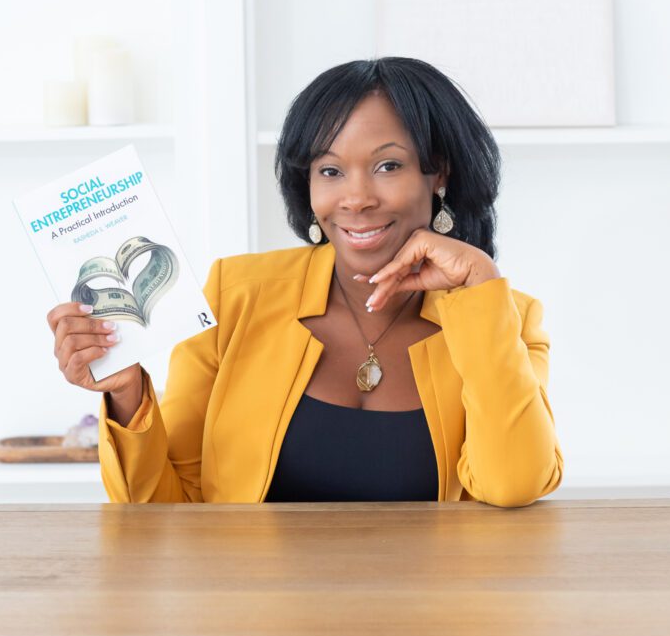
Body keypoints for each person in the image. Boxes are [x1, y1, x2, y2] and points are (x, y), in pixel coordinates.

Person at [47, 57, 564, 507]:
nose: (356, 198)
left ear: (439, 175)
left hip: (430, 616)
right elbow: (169, 505)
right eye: (331, 171)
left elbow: (514, 483)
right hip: (261, 615)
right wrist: (126, 394)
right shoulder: (236, 295)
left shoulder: (504, 316)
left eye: (388, 165)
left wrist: (479, 286)